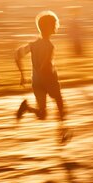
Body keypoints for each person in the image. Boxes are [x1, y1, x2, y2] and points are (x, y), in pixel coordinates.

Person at [15, 11, 72, 144]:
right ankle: (62, 132)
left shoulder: (33, 44)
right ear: (50, 27)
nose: (55, 27)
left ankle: (26, 108)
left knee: (42, 114)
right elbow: (45, 65)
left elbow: (17, 55)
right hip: (49, 80)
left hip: (36, 81)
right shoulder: (50, 46)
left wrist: (22, 74)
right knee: (60, 105)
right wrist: (49, 70)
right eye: (54, 24)